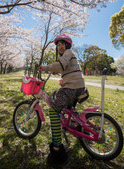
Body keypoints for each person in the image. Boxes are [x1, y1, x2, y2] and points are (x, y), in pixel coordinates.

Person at [39, 34, 89, 166]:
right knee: (67, 107)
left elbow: (60, 65)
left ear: (67, 45)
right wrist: (63, 78)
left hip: (72, 88)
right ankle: (78, 124)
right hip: (77, 87)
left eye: (62, 44)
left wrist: (45, 67)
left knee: (53, 110)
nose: (60, 47)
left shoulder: (68, 52)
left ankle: (57, 147)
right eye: (58, 45)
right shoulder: (66, 55)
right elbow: (67, 69)